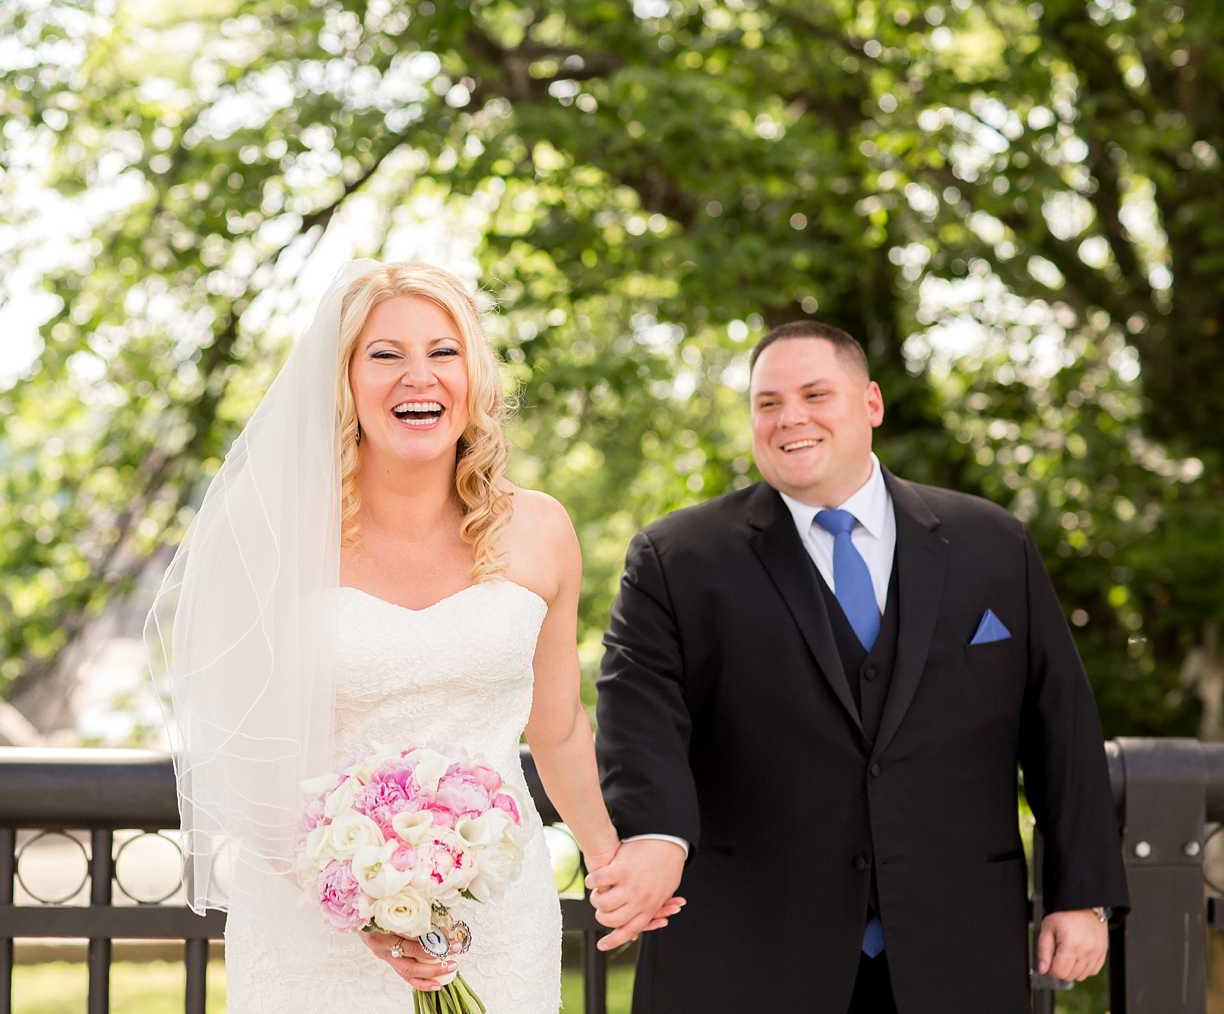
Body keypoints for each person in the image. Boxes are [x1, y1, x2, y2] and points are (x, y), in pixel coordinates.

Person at [146, 261, 679, 1013]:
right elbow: (238, 749)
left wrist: (606, 856)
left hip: (496, 914)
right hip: (313, 921)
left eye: (443, 351)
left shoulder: (541, 530)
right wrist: (355, 899)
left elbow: (556, 725)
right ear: (343, 381)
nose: (417, 376)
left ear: (474, 377)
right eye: (384, 355)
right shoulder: (268, 534)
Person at [586, 322, 1128, 1013]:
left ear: (870, 402)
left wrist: (1080, 895)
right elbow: (637, 719)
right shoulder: (676, 560)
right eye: (768, 403)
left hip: (953, 946)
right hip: (749, 950)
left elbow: (1062, 728)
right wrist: (657, 836)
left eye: (816, 394)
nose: (791, 419)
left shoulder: (994, 545)